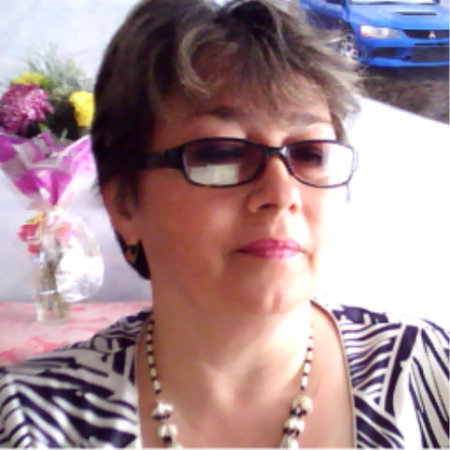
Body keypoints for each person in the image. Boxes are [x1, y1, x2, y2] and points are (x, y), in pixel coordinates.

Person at [0, 0, 448, 447]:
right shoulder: (26, 420)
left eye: (311, 154)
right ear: (124, 205)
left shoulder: (428, 374)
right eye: (221, 153)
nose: (281, 194)